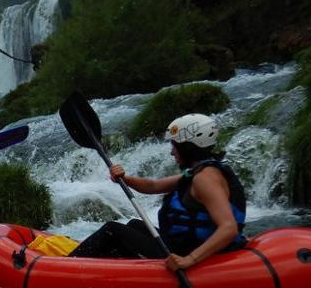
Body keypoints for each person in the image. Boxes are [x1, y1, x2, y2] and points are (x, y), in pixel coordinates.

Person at [71, 113, 247, 271]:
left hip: (192, 252)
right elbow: (153, 186)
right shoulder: (198, 172)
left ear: (187, 147)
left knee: (112, 230)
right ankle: (101, 270)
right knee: (134, 225)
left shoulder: (205, 179)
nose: (172, 152)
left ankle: (67, 266)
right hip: (184, 245)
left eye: (174, 145)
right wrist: (125, 178)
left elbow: (228, 228)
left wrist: (189, 260)